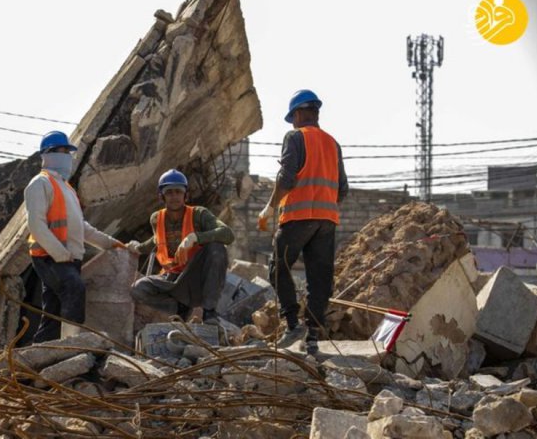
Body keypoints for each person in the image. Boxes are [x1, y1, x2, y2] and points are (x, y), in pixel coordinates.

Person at [258, 89, 348, 354]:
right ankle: (312, 339)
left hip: (298, 217)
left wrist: (269, 208)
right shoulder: (333, 143)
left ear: (297, 114)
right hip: (326, 221)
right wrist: (324, 207)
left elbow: (286, 178)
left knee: (278, 266)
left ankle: (292, 324)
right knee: (319, 280)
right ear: (315, 112)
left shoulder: (295, 137)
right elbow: (343, 190)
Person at [25, 130, 125, 343]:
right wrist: (60, 254)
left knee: (53, 309)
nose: (67, 157)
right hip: (50, 257)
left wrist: (109, 243)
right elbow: (36, 225)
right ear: (49, 154)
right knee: (74, 288)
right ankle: (72, 345)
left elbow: (81, 227)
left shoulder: (67, 188)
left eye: (68, 152)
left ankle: (39, 354)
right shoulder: (39, 184)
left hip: (68, 258)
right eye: (63, 151)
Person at [127, 169, 234, 324]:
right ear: (161, 196)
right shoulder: (156, 219)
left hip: (196, 276)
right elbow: (157, 240)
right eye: (169, 192)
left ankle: (209, 312)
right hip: (171, 278)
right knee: (138, 289)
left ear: (186, 195)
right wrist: (138, 248)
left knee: (217, 249)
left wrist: (194, 237)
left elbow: (227, 234)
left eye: (178, 192)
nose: (174, 196)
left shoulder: (199, 214)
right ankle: (179, 307)